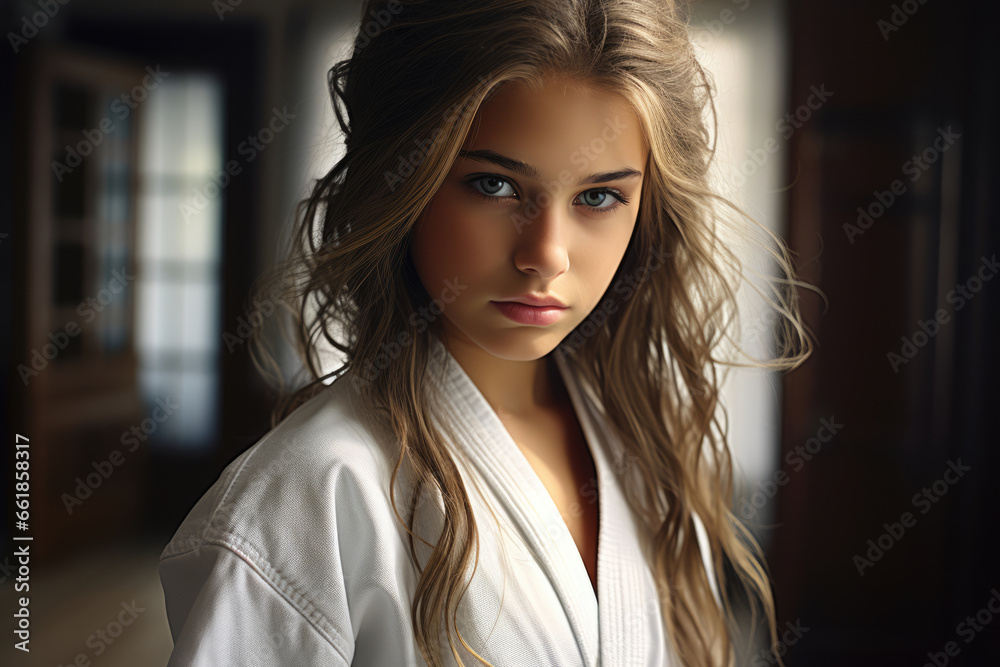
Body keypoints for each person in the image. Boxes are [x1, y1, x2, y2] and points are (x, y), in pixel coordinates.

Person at [158, 1, 815, 665]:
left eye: (598, 196)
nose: (546, 254)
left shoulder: (643, 440)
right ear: (401, 180)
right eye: (494, 184)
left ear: (647, 208)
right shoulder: (309, 497)